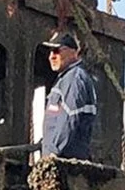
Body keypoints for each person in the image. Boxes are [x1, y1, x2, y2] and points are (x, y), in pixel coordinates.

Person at [41, 30, 98, 160]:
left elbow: (69, 116)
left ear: (73, 52)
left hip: (64, 161)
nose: (51, 57)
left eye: (57, 51)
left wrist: (53, 153)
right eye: (50, 52)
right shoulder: (64, 80)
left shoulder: (74, 79)